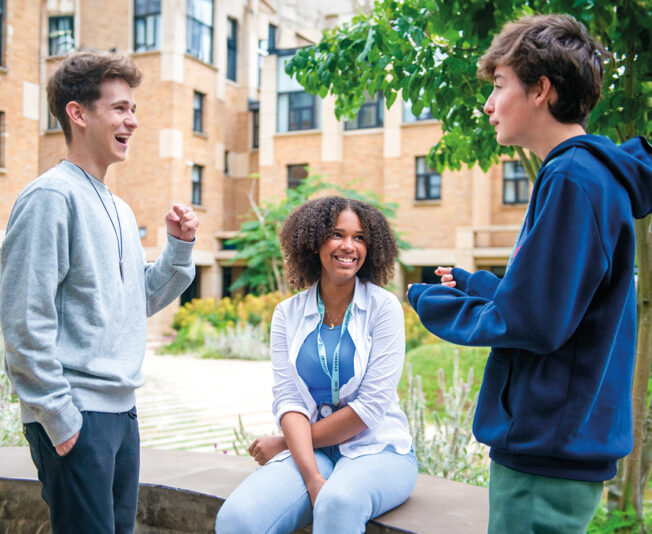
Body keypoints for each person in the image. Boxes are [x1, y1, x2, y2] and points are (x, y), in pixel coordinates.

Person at [407, 14, 652, 533]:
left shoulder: (572, 177)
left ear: (541, 89)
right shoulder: (590, 177)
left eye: (499, 86)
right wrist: (482, 286)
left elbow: (533, 323)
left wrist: (430, 301)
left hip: (546, 453)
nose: (489, 104)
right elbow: (563, 306)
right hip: (562, 447)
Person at [0, 50, 198, 534]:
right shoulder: (50, 198)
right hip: (77, 414)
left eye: (133, 109)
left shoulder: (120, 208)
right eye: (120, 108)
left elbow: (136, 302)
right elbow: (23, 320)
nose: (133, 120)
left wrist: (179, 248)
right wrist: (58, 417)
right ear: (78, 112)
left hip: (120, 412)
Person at [215, 196, 417, 533]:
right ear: (313, 242)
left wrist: (284, 443)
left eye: (360, 237)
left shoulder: (384, 309)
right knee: (239, 518)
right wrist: (311, 476)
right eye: (337, 234)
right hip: (313, 455)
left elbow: (371, 407)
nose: (349, 246)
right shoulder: (287, 314)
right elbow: (289, 399)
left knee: (338, 503)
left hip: (378, 449)